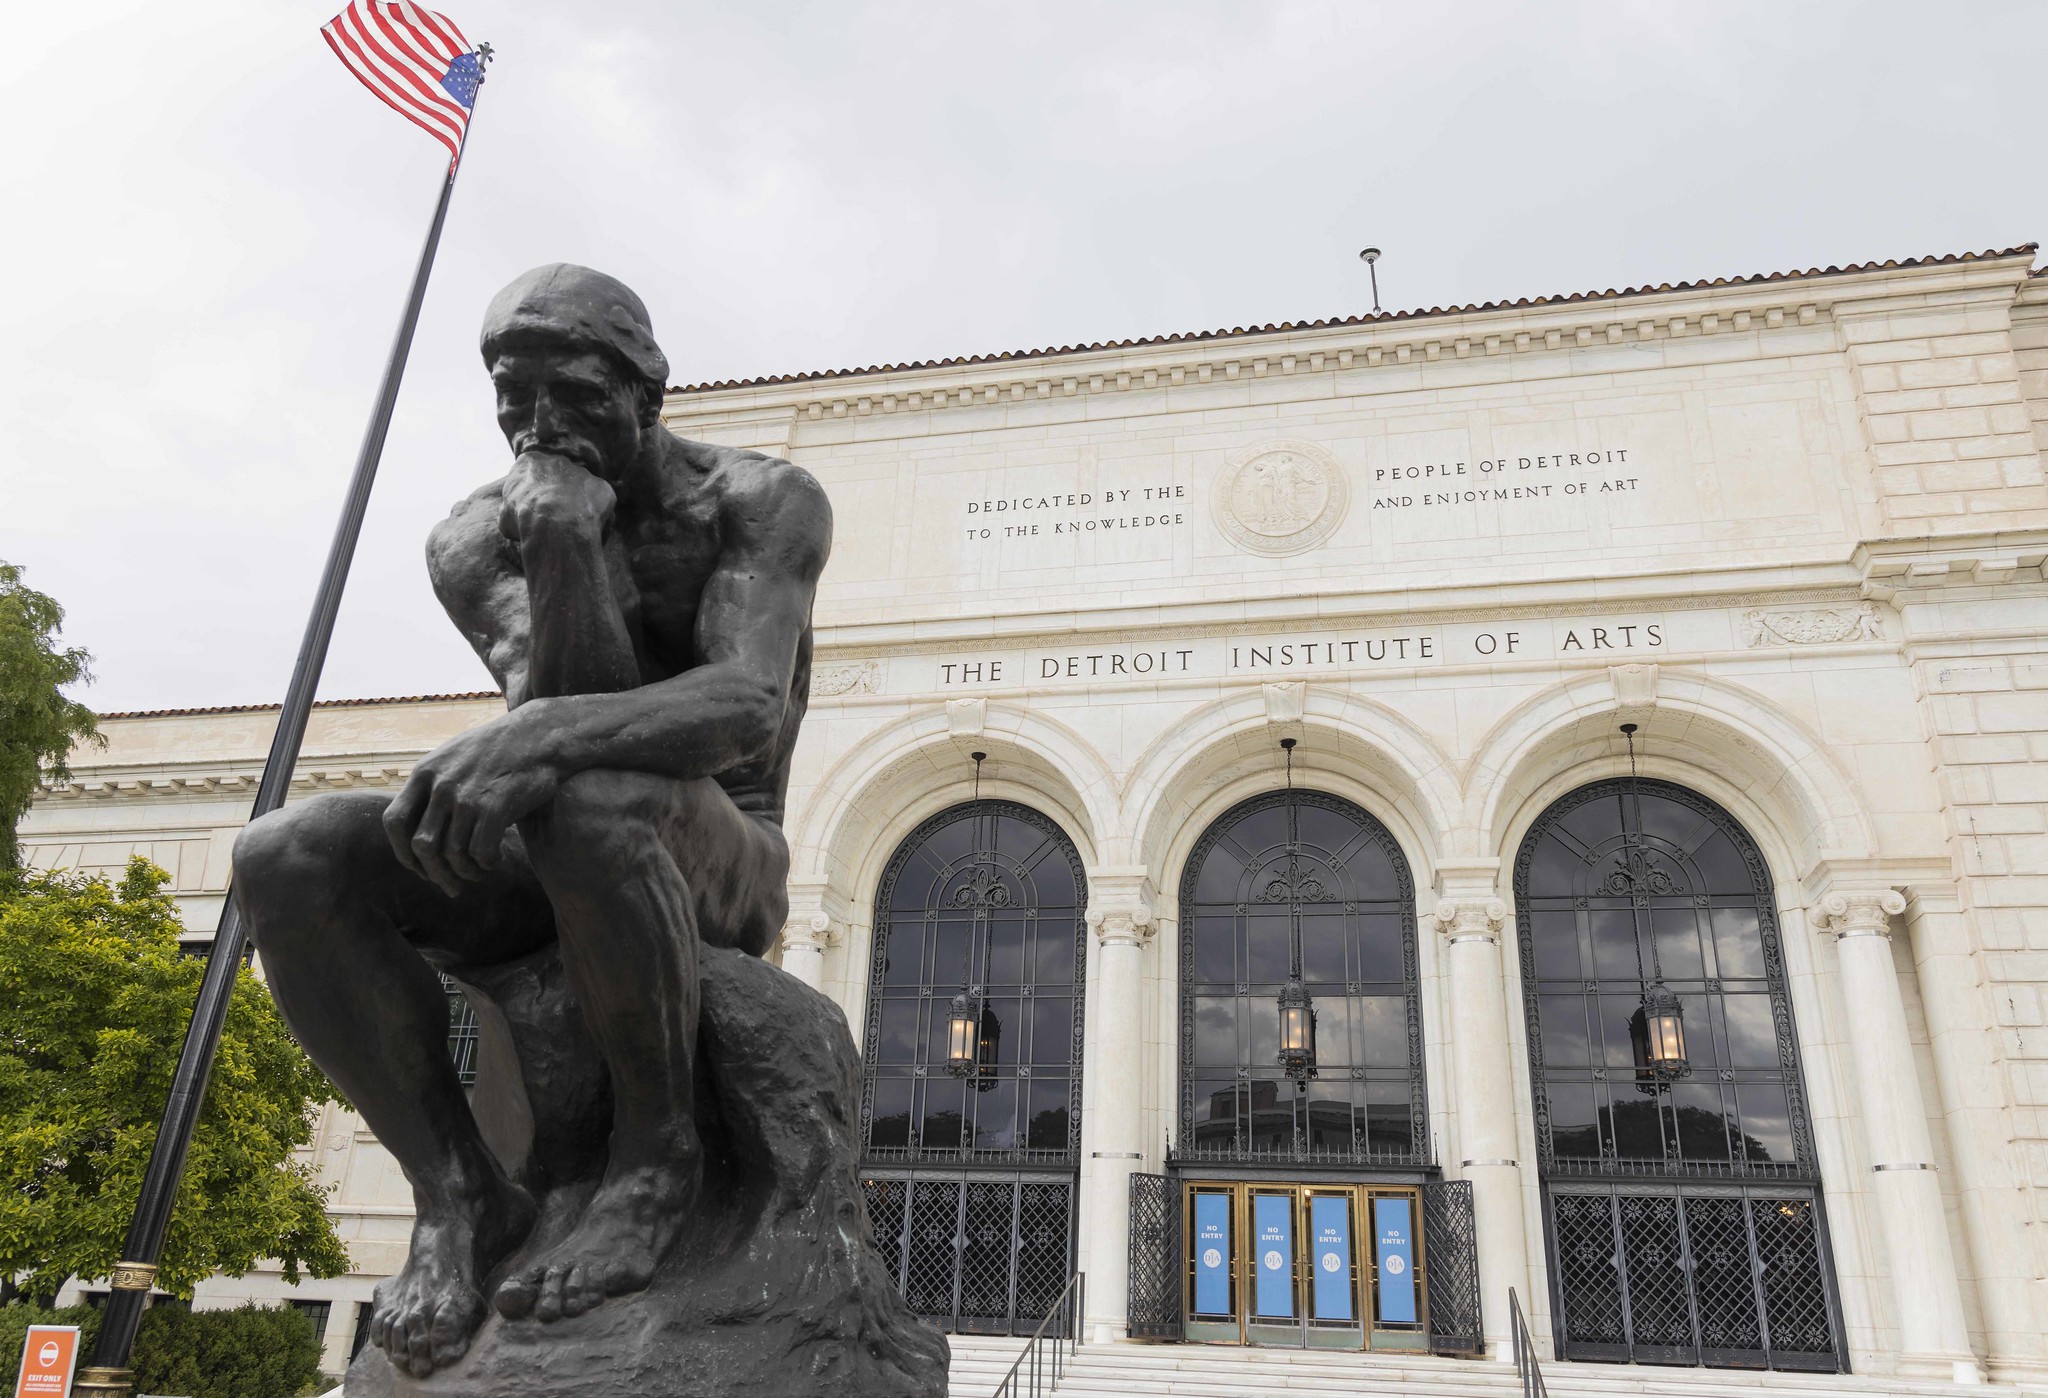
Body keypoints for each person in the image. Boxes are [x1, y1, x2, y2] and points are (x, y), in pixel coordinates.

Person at [233, 264, 830, 1378]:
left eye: (575, 395)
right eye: (516, 396)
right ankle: (458, 1197)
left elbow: (741, 708)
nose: (540, 425)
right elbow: (557, 697)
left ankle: (654, 1162)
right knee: (288, 851)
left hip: (728, 860)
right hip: (558, 838)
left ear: (646, 389)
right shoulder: (475, 538)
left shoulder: (757, 498)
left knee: (584, 784)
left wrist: (539, 738)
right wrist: (561, 543)